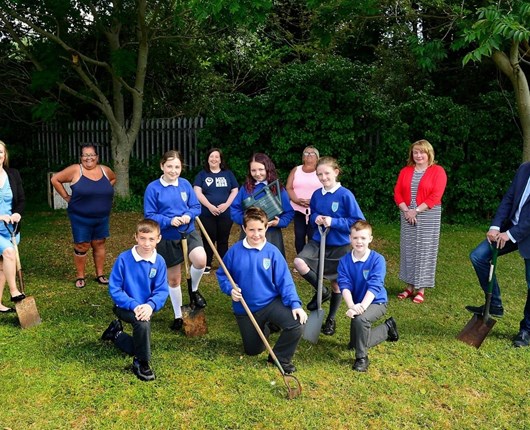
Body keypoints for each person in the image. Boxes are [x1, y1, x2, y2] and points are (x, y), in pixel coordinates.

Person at [217, 207, 307, 374]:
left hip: (270, 302)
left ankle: (279, 358)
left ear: (266, 228)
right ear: (244, 229)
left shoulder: (273, 252)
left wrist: (295, 304)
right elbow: (222, 275)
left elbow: (285, 282)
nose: (256, 234)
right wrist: (230, 289)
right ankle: (265, 327)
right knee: (253, 350)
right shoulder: (234, 252)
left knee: (296, 324)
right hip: (245, 308)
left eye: (260, 229)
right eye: (251, 230)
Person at [294, 156, 365, 336]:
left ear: (336, 172)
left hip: (339, 245)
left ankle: (331, 319)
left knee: (337, 284)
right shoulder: (317, 194)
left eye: (326, 173)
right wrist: (315, 217)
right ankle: (322, 291)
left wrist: (333, 221)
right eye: (319, 174)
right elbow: (314, 212)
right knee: (299, 262)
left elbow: (358, 221)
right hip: (318, 241)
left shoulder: (345, 195)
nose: (323, 177)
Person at [466, 162, 530, 348]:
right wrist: (495, 226)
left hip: (524, 233)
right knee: (478, 256)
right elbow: (509, 198)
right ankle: (494, 304)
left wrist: (510, 235)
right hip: (510, 228)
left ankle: (526, 330)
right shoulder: (524, 169)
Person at [144, 150, 207, 332]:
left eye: (177, 167)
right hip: (168, 237)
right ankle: (179, 316)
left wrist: (188, 215)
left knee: (200, 260)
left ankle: (193, 291)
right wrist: (168, 221)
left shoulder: (185, 185)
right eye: (169, 166)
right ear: (162, 166)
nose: (173, 170)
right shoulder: (153, 188)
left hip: (188, 232)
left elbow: (196, 207)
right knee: (173, 279)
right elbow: (149, 214)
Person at [101, 219, 169, 381]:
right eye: (143, 238)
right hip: (124, 306)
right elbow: (115, 289)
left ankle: (116, 333)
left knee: (140, 340)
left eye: (151, 239)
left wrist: (150, 306)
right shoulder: (124, 259)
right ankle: (141, 362)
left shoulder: (159, 261)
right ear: (136, 237)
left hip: (146, 308)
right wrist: (134, 305)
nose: (147, 243)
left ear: (158, 239)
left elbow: (161, 290)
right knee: (143, 324)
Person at [50, 143, 116, 288]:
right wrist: (66, 197)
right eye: (85, 155)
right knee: (82, 245)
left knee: (99, 243)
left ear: (97, 157)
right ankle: (81, 276)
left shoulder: (105, 170)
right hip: (80, 217)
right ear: (81, 157)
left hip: (102, 216)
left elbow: (113, 179)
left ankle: (100, 274)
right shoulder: (75, 170)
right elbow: (55, 179)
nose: (88, 158)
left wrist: (101, 192)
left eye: (91, 155)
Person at [337, 220, 399, 372]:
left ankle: (361, 357)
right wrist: (351, 306)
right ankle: (388, 328)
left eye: (363, 238)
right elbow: (344, 286)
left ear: (370, 239)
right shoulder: (344, 261)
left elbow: (374, 286)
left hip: (376, 302)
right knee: (355, 342)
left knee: (361, 319)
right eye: (356, 238)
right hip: (357, 303)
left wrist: (361, 308)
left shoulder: (377, 260)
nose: (359, 241)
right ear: (350, 238)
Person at [393, 139, 447, 304]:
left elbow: (436, 195)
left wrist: (415, 210)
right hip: (407, 214)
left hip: (428, 214)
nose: (418, 155)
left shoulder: (438, 171)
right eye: (415, 152)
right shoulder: (406, 171)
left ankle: (421, 289)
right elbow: (397, 192)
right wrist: (407, 211)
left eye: (422, 152)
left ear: (429, 153)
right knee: (408, 249)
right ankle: (409, 287)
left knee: (425, 250)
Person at [230, 153, 294, 257]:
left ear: (268, 169)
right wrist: (246, 221)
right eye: (253, 170)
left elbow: (289, 212)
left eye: (261, 169)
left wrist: (279, 223)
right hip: (249, 235)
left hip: (272, 235)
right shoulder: (245, 188)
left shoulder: (278, 189)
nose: (257, 173)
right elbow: (234, 209)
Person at [193, 148, 239, 274]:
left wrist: (226, 204)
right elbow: (197, 191)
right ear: (208, 159)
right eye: (211, 156)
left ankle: (224, 264)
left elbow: (235, 190)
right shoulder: (202, 174)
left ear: (220, 159)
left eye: (216, 157)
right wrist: (209, 206)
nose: (214, 159)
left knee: (223, 238)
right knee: (208, 237)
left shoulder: (228, 174)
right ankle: (206, 264)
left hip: (225, 212)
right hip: (207, 212)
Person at [0, 140, 25, 313]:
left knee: (3, 266)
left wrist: (17, 213)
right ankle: (15, 291)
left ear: (5, 155)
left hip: (11, 229)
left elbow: (21, 200)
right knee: (9, 252)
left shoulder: (13, 174)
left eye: (0, 152)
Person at [286, 146, 321, 255]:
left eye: (312, 153)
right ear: (303, 157)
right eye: (306, 153)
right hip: (298, 209)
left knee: (312, 235)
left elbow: (326, 188)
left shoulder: (321, 171)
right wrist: (296, 200)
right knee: (299, 235)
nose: (309, 155)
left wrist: (313, 201)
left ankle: (311, 259)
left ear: (317, 157)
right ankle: (300, 258)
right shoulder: (296, 170)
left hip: (315, 209)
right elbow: (289, 187)